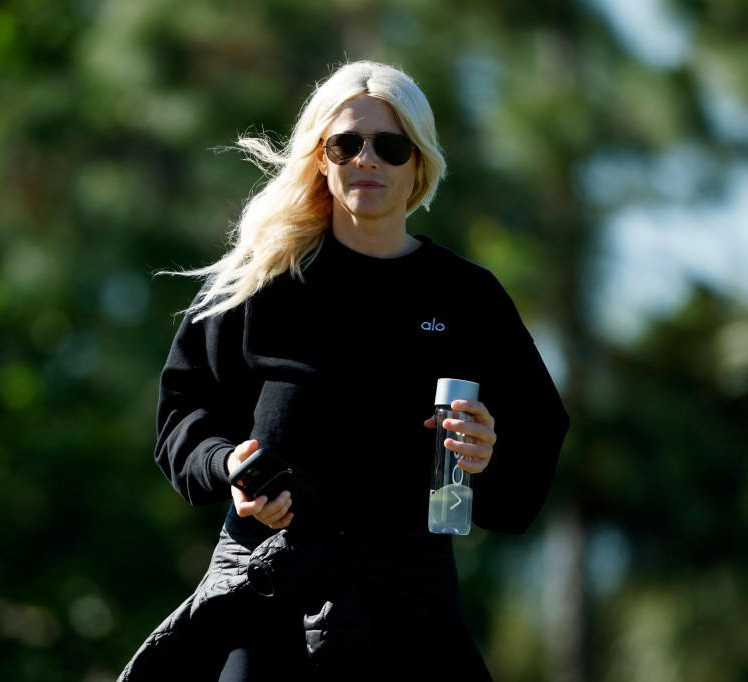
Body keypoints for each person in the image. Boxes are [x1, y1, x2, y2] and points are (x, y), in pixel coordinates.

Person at [118, 60, 569, 681]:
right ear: (320, 158)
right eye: (346, 143)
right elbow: (182, 416)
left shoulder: (467, 297)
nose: (367, 159)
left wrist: (489, 456)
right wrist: (230, 467)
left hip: (411, 613)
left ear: (419, 164)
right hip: (268, 596)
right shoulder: (259, 281)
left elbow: (534, 444)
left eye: (390, 145)